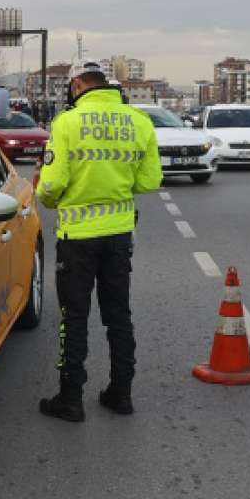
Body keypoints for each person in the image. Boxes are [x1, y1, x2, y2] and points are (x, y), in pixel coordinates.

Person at [35, 59, 163, 422]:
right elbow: (149, 181)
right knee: (118, 315)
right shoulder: (138, 121)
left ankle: (70, 398)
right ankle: (121, 393)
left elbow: (52, 185)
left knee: (73, 318)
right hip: (119, 236)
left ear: (76, 85)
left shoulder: (67, 123)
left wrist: (48, 197)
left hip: (76, 239)